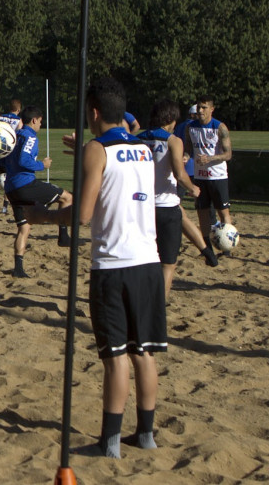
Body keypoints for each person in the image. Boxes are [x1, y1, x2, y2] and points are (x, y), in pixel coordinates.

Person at [26, 78, 166, 459]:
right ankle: (147, 434)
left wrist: (42, 217)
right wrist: (87, 155)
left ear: (93, 112)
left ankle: (110, 442)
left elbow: (84, 215)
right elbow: (119, 179)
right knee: (144, 353)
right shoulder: (143, 149)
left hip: (114, 266)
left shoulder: (95, 149)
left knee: (116, 356)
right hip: (148, 263)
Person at [138, 99, 220, 297]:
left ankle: (205, 249)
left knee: (144, 261)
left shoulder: (137, 139)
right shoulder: (173, 140)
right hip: (165, 205)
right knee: (168, 263)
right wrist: (192, 188)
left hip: (141, 206)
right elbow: (179, 174)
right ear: (170, 119)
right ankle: (160, 304)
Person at [4, 105, 73, 277]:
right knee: (66, 197)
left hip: (11, 188)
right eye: (41, 122)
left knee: (24, 228)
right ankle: (63, 238)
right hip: (25, 185)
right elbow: (23, 160)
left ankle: (18, 268)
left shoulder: (14, 136)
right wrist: (43, 165)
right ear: (34, 120)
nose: (41, 125)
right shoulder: (30, 137)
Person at [184, 95, 236, 242]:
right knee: (202, 211)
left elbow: (228, 154)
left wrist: (210, 158)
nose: (200, 110)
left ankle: (227, 242)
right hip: (200, 176)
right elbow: (188, 149)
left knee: (223, 211)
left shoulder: (220, 127)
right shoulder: (190, 127)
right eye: (199, 107)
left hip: (217, 176)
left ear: (211, 109)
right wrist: (186, 157)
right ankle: (206, 243)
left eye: (204, 107)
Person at [0, 98, 23, 215]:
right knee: (9, 179)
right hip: (10, 151)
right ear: (19, 109)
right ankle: (4, 207)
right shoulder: (18, 120)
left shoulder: (1, 117)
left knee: (2, 175)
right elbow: (19, 136)